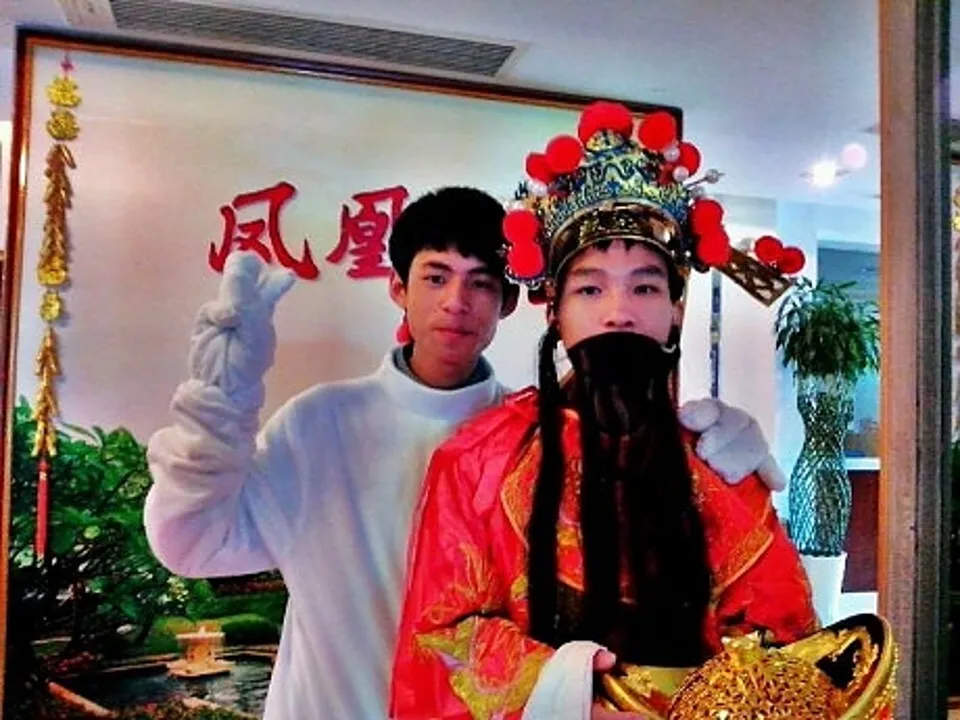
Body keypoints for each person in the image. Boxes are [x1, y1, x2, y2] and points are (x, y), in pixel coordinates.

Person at [145, 186, 784, 719]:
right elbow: (194, 544)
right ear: (398, 288)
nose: (456, 302)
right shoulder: (322, 423)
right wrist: (218, 406)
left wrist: (713, 455)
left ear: (512, 302)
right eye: (435, 277)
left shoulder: (530, 439)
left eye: (481, 282)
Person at [389, 104, 817, 719]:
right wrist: (573, 698)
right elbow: (439, 637)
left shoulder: (720, 463)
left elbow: (784, 642)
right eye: (590, 288)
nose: (619, 312)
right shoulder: (478, 459)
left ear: (675, 309)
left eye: (645, 287)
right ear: (554, 311)